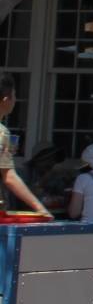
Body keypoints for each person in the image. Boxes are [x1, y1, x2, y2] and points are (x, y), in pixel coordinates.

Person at [0, 76, 53, 221]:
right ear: (6, 99)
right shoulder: (2, 132)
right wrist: (40, 208)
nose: (15, 100)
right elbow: (9, 176)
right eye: (15, 95)